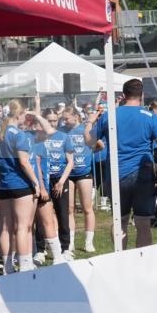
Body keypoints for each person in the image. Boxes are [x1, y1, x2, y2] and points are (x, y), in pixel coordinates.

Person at [85, 79, 157, 249]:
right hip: (143, 175)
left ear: (123, 95)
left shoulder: (110, 115)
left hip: (117, 176)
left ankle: (120, 259)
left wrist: (89, 123)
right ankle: (142, 263)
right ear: (142, 95)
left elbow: (89, 141)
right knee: (143, 223)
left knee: (120, 222)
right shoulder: (150, 117)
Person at [0, 100, 40, 273]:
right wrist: (36, 182)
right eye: (24, 115)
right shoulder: (18, 135)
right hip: (20, 184)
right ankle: (25, 264)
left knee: (5, 227)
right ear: (18, 115)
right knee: (22, 226)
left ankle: (7, 266)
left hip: (4, 185)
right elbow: (25, 162)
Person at [29, 114, 68, 265]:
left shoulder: (35, 140)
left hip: (36, 186)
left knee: (41, 222)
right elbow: (37, 167)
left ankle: (50, 255)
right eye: (45, 124)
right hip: (38, 187)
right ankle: (53, 256)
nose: (49, 127)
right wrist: (43, 188)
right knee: (45, 222)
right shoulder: (36, 142)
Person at [39, 107, 75, 259]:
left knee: (63, 213)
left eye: (55, 120)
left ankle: (65, 248)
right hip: (43, 179)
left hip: (60, 178)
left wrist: (61, 182)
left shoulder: (64, 136)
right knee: (41, 215)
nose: (52, 123)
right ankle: (40, 249)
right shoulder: (38, 137)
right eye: (49, 120)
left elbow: (70, 162)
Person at [64, 106, 97, 253]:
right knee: (69, 209)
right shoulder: (63, 131)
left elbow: (98, 144)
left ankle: (88, 242)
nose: (64, 121)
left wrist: (89, 152)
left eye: (66, 118)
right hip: (68, 174)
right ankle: (70, 242)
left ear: (76, 117)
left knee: (87, 207)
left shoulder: (85, 129)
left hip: (84, 172)